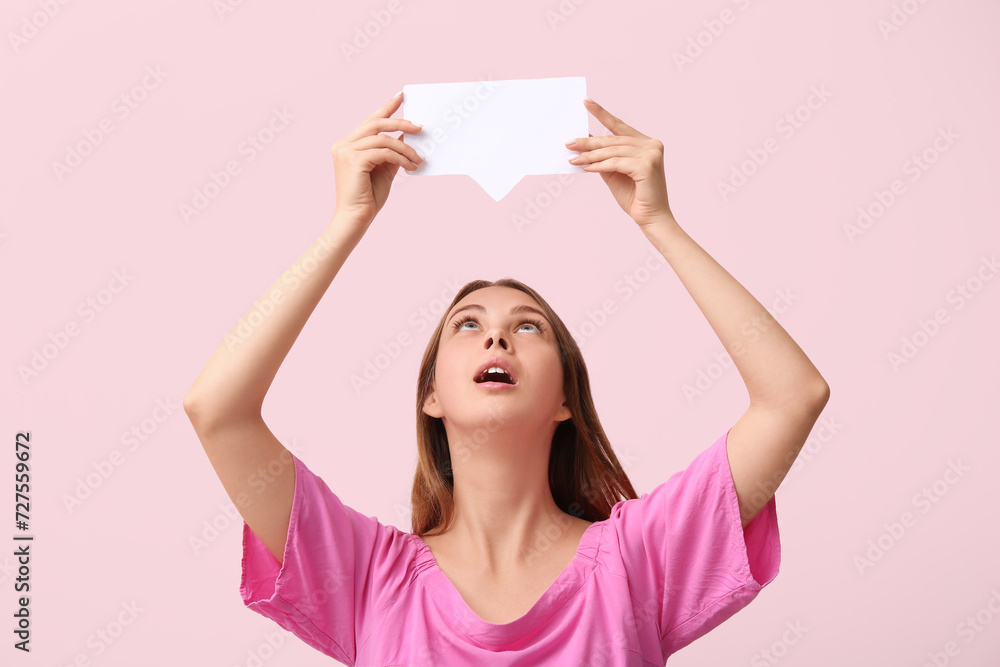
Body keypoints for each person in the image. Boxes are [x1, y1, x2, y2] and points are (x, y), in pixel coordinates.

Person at [183, 90, 830, 665]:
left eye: (529, 327)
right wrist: (345, 224)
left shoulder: (641, 560)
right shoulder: (364, 575)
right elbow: (217, 408)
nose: (496, 335)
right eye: (467, 323)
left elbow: (793, 397)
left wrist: (658, 222)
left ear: (566, 401)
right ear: (431, 395)